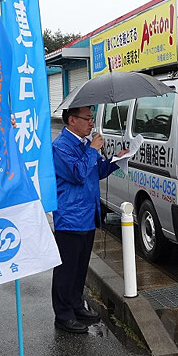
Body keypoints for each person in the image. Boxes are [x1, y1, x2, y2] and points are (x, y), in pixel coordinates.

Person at [51, 106, 129, 334]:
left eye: (91, 119)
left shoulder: (84, 145)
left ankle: (76, 305)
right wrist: (94, 149)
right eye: (87, 119)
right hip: (70, 217)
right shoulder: (61, 147)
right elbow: (77, 173)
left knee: (80, 268)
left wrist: (116, 161)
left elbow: (94, 171)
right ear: (72, 120)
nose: (91, 123)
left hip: (87, 214)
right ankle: (63, 315)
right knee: (66, 270)